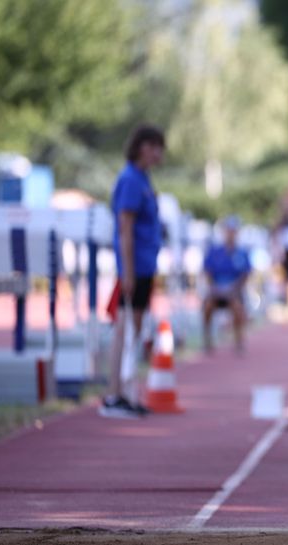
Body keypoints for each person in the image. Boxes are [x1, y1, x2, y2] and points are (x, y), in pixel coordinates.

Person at [99, 125, 165, 419]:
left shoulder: (144, 179)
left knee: (135, 330)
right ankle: (116, 394)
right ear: (141, 147)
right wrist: (126, 271)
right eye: (154, 147)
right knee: (125, 328)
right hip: (134, 265)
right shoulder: (130, 180)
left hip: (144, 264)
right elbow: (125, 228)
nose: (159, 154)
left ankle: (127, 391)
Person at [202, 215, 252, 354]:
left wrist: (235, 288)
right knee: (207, 306)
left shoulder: (242, 252)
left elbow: (246, 273)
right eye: (228, 230)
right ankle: (207, 339)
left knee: (237, 307)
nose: (230, 233)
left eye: (233, 230)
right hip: (217, 291)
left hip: (234, 291)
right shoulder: (214, 251)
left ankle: (238, 340)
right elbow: (207, 271)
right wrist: (213, 287)